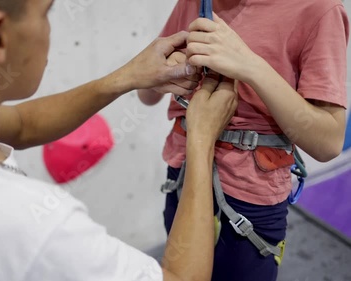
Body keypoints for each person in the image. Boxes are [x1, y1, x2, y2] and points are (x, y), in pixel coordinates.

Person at [0, 0, 238, 280]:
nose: (50, 27)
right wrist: (201, 140)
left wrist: (124, 77)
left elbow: (19, 124)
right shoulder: (31, 227)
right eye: (47, 12)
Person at [138, 0, 349, 280]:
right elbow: (147, 94)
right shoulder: (196, 2)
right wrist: (164, 75)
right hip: (183, 173)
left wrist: (250, 66)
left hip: (250, 194)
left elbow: (328, 143)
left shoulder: (318, 10)